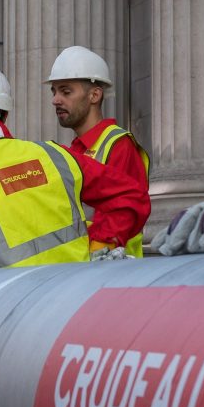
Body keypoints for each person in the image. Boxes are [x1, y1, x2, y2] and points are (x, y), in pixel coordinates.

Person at [0, 62, 150, 273]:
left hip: (10, 318)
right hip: (76, 303)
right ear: (5, 115)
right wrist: (100, 243)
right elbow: (132, 196)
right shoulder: (55, 155)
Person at [46, 45, 151, 256]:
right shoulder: (72, 151)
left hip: (111, 273)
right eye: (55, 91)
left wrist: (96, 250)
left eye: (66, 91)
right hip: (83, 270)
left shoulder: (118, 145)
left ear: (94, 95)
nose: (55, 100)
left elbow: (125, 211)